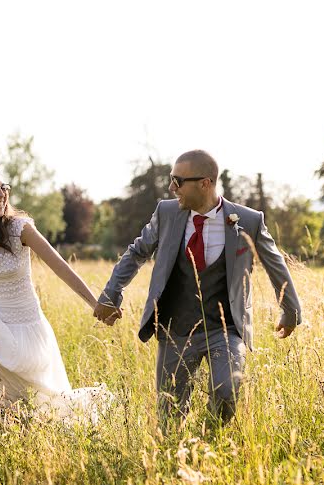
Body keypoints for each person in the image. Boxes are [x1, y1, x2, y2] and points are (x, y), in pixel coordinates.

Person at [93, 149, 301, 425]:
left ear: (205, 183)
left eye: (178, 181)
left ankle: (211, 442)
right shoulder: (166, 213)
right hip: (175, 330)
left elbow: (276, 265)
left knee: (226, 391)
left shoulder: (248, 220)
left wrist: (290, 310)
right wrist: (111, 293)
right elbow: (136, 252)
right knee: (171, 414)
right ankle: (177, 458)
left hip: (225, 329)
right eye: (171, 179)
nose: (171, 187)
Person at [0, 165, 110, 450]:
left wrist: (95, 303)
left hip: (23, 328)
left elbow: (61, 266)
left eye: (4, 188)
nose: (1, 194)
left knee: (30, 409)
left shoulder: (20, 229)